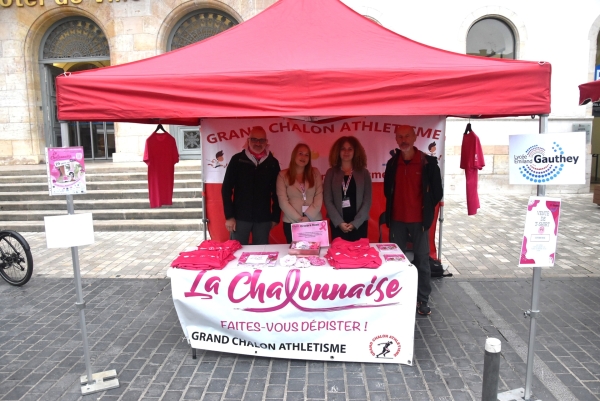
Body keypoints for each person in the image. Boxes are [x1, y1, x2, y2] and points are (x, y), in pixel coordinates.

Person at [384, 125, 443, 316]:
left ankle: (422, 300)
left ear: (415, 137)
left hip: (420, 222)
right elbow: (387, 191)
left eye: (407, 136)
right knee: (396, 262)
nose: (404, 140)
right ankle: (398, 297)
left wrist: (424, 209)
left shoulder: (428, 163)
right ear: (395, 139)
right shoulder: (392, 163)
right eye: (400, 136)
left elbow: (437, 193)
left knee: (422, 261)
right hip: (397, 221)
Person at [221, 126, 281, 245]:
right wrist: (229, 216)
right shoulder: (237, 160)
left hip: (263, 219)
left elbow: (277, 192)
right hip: (239, 218)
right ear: (248, 140)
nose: (258, 143)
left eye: (261, 140)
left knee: (261, 255)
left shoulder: (273, 163)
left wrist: (275, 217)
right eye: (254, 139)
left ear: (266, 142)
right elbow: (226, 189)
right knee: (236, 252)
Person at [324, 136, 372, 241]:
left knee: (359, 255)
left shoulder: (364, 173)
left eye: (350, 149)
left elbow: (367, 200)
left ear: (355, 151)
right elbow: (328, 200)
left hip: (359, 223)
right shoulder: (331, 173)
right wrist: (339, 222)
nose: (346, 152)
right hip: (338, 224)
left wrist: (356, 223)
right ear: (338, 151)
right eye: (343, 149)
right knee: (339, 255)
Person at [276, 144, 323, 243]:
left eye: (307, 155)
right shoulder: (283, 175)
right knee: (296, 255)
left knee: (315, 255)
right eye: (300, 153)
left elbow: (319, 196)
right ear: (294, 155)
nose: (303, 157)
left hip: (313, 220)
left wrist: (308, 217)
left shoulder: (315, 173)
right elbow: (283, 201)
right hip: (292, 222)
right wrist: (299, 219)